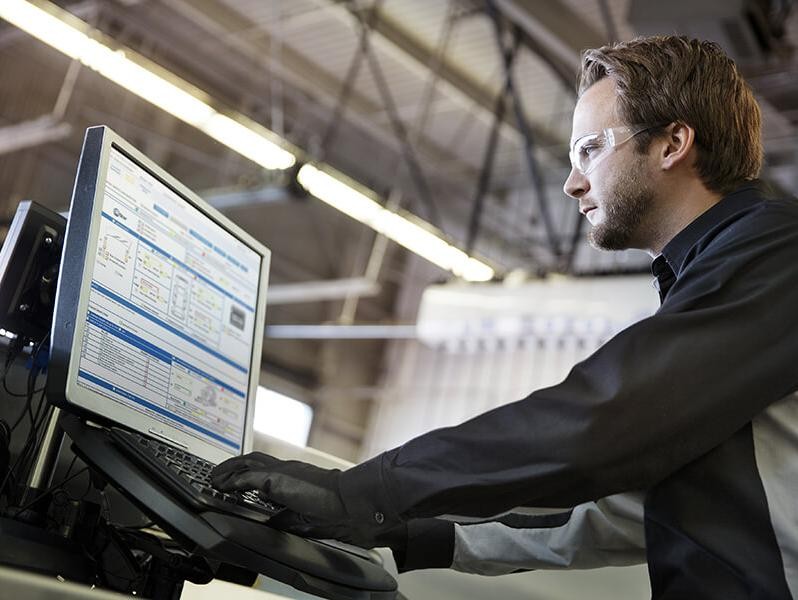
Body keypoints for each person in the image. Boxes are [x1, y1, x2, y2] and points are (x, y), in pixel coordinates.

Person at [212, 35, 798, 599]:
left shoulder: (779, 254)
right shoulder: (728, 287)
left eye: (590, 149)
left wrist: (366, 491)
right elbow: (623, 514)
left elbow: (604, 419)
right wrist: (402, 529)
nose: (573, 183)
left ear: (673, 143)